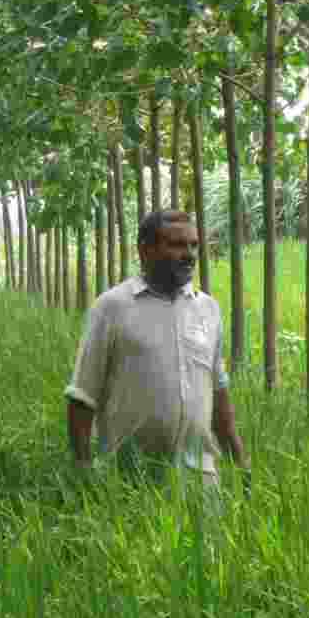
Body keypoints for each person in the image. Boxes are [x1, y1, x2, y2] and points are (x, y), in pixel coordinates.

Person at [65, 211, 245, 503]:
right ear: (144, 249)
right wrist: (84, 473)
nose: (189, 254)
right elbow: (81, 397)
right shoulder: (112, 307)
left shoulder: (207, 310)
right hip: (129, 479)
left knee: (207, 548)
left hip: (199, 478)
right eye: (176, 245)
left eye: (194, 245)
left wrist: (240, 461)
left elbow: (217, 390)